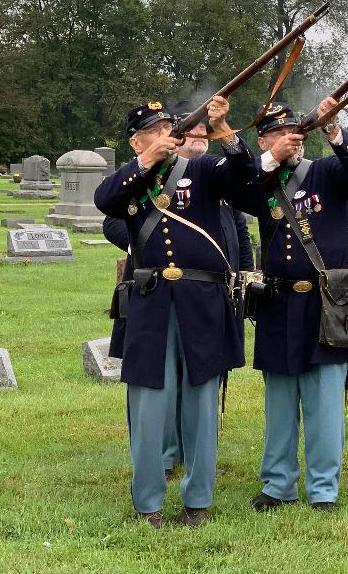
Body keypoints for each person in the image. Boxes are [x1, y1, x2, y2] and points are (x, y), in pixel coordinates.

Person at [94, 96, 256, 527]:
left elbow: (245, 175)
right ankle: (147, 502)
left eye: (170, 126)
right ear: (137, 140)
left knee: (202, 403)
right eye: (155, 128)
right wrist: (147, 160)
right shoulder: (133, 177)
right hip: (149, 303)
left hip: (201, 302)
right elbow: (105, 201)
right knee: (149, 405)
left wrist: (224, 130)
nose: (167, 132)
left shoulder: (202, 170)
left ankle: (197, 501)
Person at [239, 100, 348, 512]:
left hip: (324, 304)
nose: (288, 140)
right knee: (280, 406)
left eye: (292, 132)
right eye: (277, 134)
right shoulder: (258, 181)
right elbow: (239, 189)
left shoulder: (324, 172)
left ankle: (323, 489)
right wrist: (267, 161)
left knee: (324, 406)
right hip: (278, 304)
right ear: (263, 141)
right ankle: (278, 484)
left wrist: (333, 129)